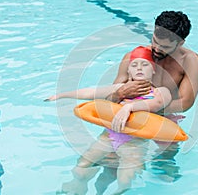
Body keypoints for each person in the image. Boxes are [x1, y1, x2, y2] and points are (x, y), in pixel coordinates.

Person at [46, 46, 172, 194]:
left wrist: (129, 107)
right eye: (134, 65)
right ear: (129, 71)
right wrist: (61, 95)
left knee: (125, 181)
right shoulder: (120, 88)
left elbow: (156, 104)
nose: (139, 68)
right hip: (108, 137)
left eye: (145, 64)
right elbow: (91, 92)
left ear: (154, 70)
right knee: (80, 168)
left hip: (135, 144)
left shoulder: (161, 92)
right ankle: (77, 189)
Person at [108, 11, 198, 182]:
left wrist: (150, 107)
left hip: (164, 118)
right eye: (155, 41)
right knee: (110, 167)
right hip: (129, 116)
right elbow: (110, 98)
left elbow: (186, 102)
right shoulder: (135, 57)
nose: (157, 49)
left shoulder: (190, 61)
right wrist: (120, 93)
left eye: (165, 46)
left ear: (180, 42)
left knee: (166, 173)